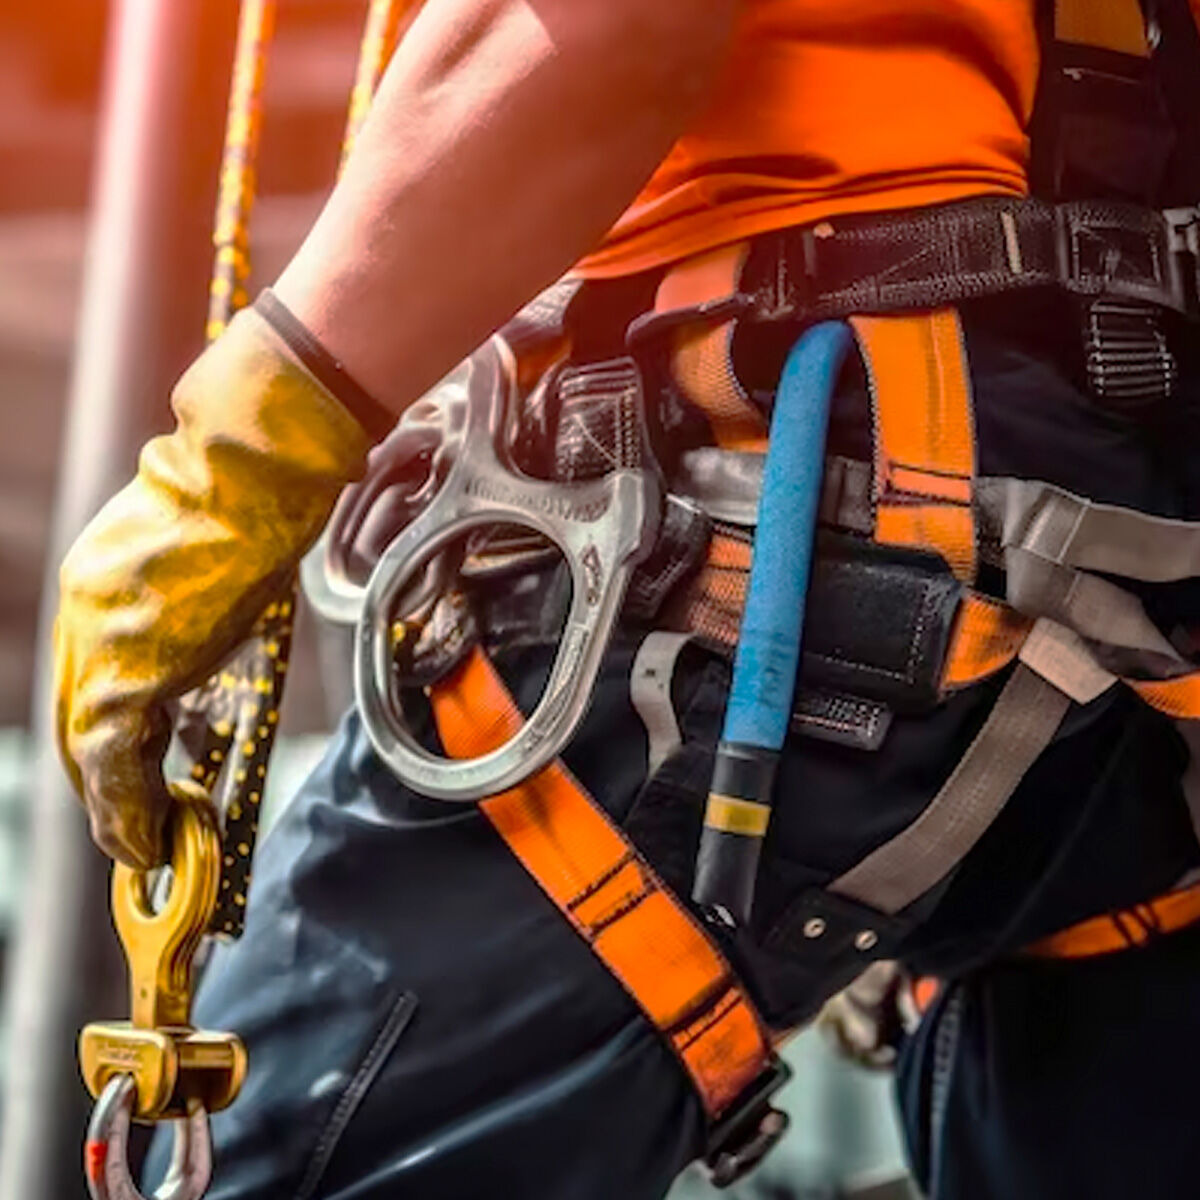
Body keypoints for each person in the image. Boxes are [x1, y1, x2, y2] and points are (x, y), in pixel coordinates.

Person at [53, 1, 1200, 1197]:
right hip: (1112, 549)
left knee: (281, 1161)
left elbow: (608, 24)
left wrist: (236, 457)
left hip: (822, 476)